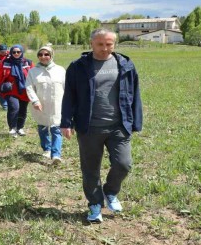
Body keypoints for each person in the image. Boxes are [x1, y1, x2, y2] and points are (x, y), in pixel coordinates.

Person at [60, 28, 143, 223]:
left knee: (124, 164)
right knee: (90, 169)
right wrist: (66, 122)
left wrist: (136, 121)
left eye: (109, 44)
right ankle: (95, 204)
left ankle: (110, 192)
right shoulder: (78, 67)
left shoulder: (125, 64)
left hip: (118, 125)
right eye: (100, 44)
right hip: (89, 127)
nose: (104, 48)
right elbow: (69, 96)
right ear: (91, 44)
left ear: (114, 44)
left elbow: (135, 94)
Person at [25, 46, 66, 165]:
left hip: (57, 104)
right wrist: (35, 101)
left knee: (56, 128)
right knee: (43, 128)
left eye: (46, 54)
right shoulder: (33, 71)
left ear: (51, 55)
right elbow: (29, 87)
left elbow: (67, 87)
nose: (43, 57)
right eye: (40, 54)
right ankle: (46, 148)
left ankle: (56, 154)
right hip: (40, 104)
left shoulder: (60, 70)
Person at [0, 44, 34, 137]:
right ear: (11, 52)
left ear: (22, 52)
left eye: (18, 52)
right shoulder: (5, 62)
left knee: (23, 109)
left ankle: (20, 127)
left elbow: (34, 77)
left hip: (24, 91)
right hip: (10, 91)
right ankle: (12, 128)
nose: (16, 53)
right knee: (14, 107)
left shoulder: (28, 63)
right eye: (14, 52)